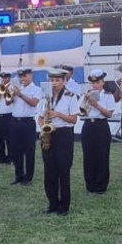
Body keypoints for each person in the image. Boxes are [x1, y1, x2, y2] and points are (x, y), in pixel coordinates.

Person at [39, 68, 80, 215]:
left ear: (63, 81)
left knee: (63, 171)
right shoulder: (44, 96)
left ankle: (63, 207)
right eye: (52, 80)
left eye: (57, 80)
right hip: (48, 133)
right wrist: (43, 127)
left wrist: (58, 114)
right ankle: (52, 204)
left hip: (63, 135)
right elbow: (39, 116)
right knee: (49, 172)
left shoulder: (71, 96)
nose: (54, 83)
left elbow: (74, 120)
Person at [80, 69, 116, 194]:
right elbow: (81, 112)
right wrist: (85, 100)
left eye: (97, 82)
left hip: (101, 126)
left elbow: (109, 114)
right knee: (88, 156)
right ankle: (90, 185)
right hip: (88, 125)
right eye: (93, 83)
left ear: (102, 82)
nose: (95, 85)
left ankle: (101, 186)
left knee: (102, 155)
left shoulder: (108, 95)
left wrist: (96, 104)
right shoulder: (87, 94)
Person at [8, 67, 41, 186]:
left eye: (25, 76)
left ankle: (28, 177)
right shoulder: (17, 88)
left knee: (29, 151)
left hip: (27, 122)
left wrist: (20, 94)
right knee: (16, 151)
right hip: (15, 121)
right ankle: (19, 175)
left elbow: (34, 103)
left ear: (31, 75)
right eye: (21, 76)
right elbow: (8, 102)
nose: (23, 78)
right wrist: (11, 94)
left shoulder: (36, 89)